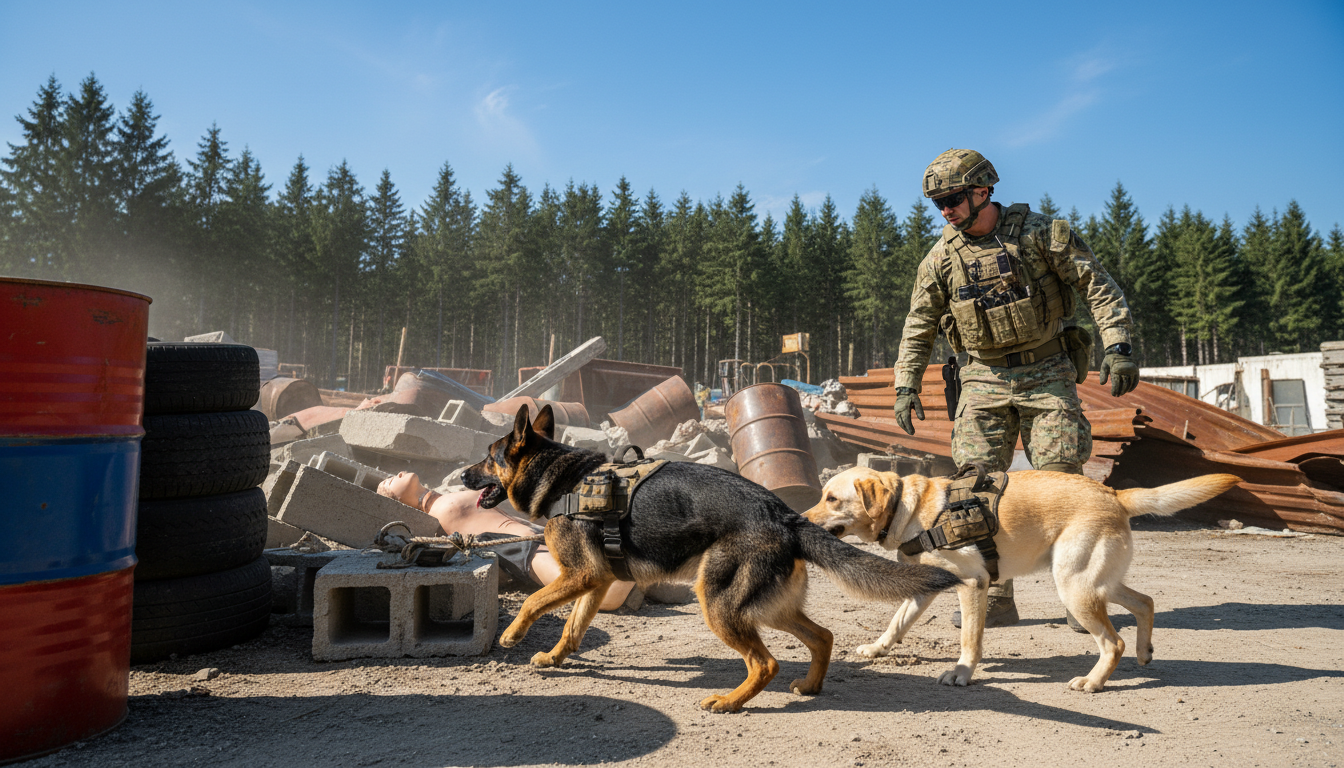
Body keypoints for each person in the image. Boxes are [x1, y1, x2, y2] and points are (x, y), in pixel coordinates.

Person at [892, 148, 1139, 629]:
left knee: (1062, 480)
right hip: (981, 377)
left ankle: (1082, 596)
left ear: (984, 190)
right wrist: (906, 384)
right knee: (974, 492)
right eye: (939, 202)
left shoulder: (1041, 234)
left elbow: (1098, 286)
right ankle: (993, 598)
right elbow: (918, 324)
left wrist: (1119, 344)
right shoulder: (941, 258)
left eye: (954, 198)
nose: (946, 209)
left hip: (1046, 370)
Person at [375, 471, 638, 611]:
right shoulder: (431, 519)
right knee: (602, 593)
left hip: (542, 536)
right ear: (396, 503)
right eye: (388, 482)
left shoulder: (442, 498)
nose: (395, 474)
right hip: (522, 550)